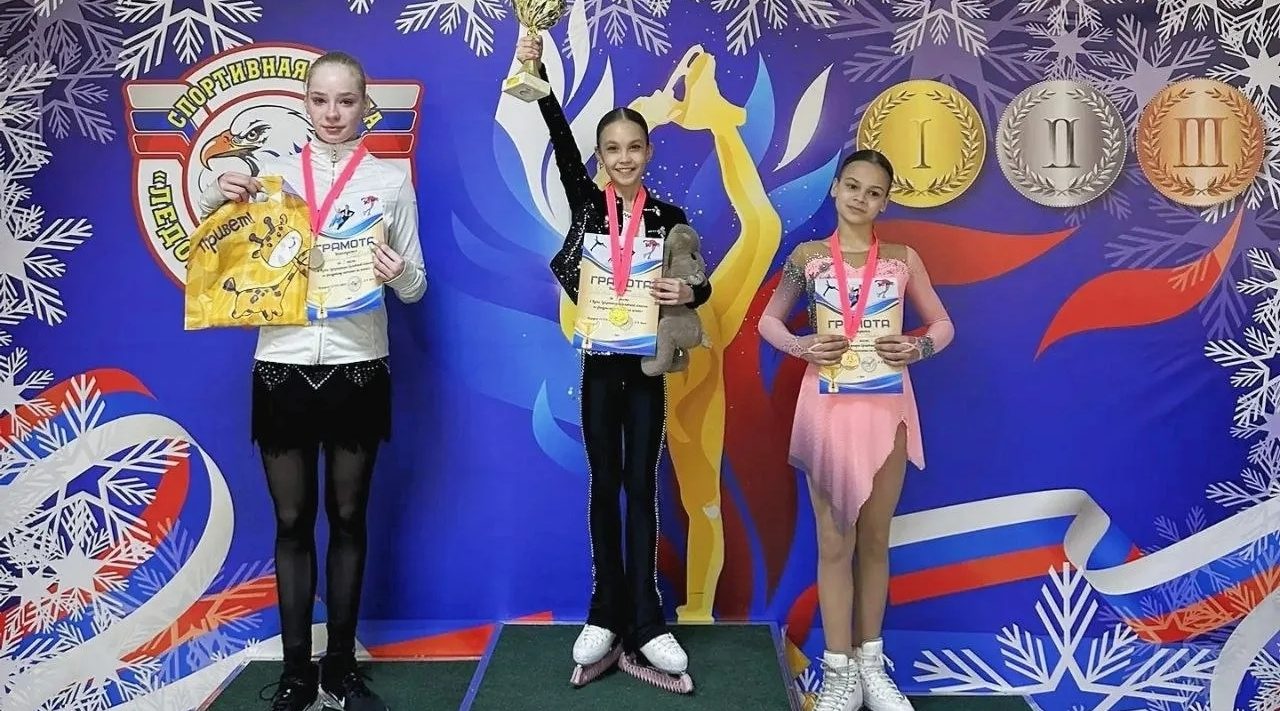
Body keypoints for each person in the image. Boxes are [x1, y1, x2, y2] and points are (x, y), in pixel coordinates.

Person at [198, 50, 426, 711]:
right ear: (305, 103)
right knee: (292, 520)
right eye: (321, 100)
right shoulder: (272, 176)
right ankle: (298, 673)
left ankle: (341, 670)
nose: (332, 113)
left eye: (346, 100)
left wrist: (398, 273)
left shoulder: (389, 180)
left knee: (349, 517)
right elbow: (211, 228)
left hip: (359, 365)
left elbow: (417, 286)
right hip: (284, 363)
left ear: (364, 105)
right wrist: (217, 187)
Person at [516, 34, 710, 691]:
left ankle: (648, 619)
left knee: (641, 485)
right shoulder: (586, 205)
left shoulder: (670, 217)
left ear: (648, 152)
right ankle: (605, 610)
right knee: (604, 483)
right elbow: (559, 138)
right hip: (600, 366)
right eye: (612, 149)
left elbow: (701, 283)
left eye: (633, 147)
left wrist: (688, 293)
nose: (623, 158)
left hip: (647, 371)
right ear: (600, 157)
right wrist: (537, 71)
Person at [758, 149, 953, 711]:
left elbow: (943, 324)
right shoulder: (807, 258)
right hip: (827, 410)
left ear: (885, 202)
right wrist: (801, 346)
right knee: (834, 542)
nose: (861, 198)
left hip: (886, 410)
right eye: (852, 186)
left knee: (874, 540)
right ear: (836, 189)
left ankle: (872, 665)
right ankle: (838, 670)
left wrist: (917, 346)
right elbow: (769, 320)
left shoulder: (902, 259)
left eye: (874, 192)